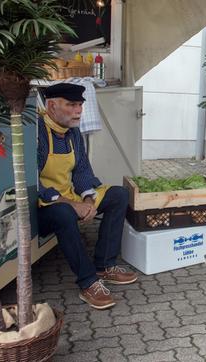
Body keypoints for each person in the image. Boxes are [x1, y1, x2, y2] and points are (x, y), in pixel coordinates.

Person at [37, 83, 137, 310]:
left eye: (80, 105)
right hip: (42, 206)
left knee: (118, 195)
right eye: (71, 105)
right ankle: (88, 281)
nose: (78, 111)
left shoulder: (72, 132)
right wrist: (72, 204)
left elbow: (82, 169)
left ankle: (105, 265)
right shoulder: (37, 132)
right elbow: (32, 184)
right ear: (51, 106)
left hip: (69, 197)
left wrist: (88, 200)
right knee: (64, 214)